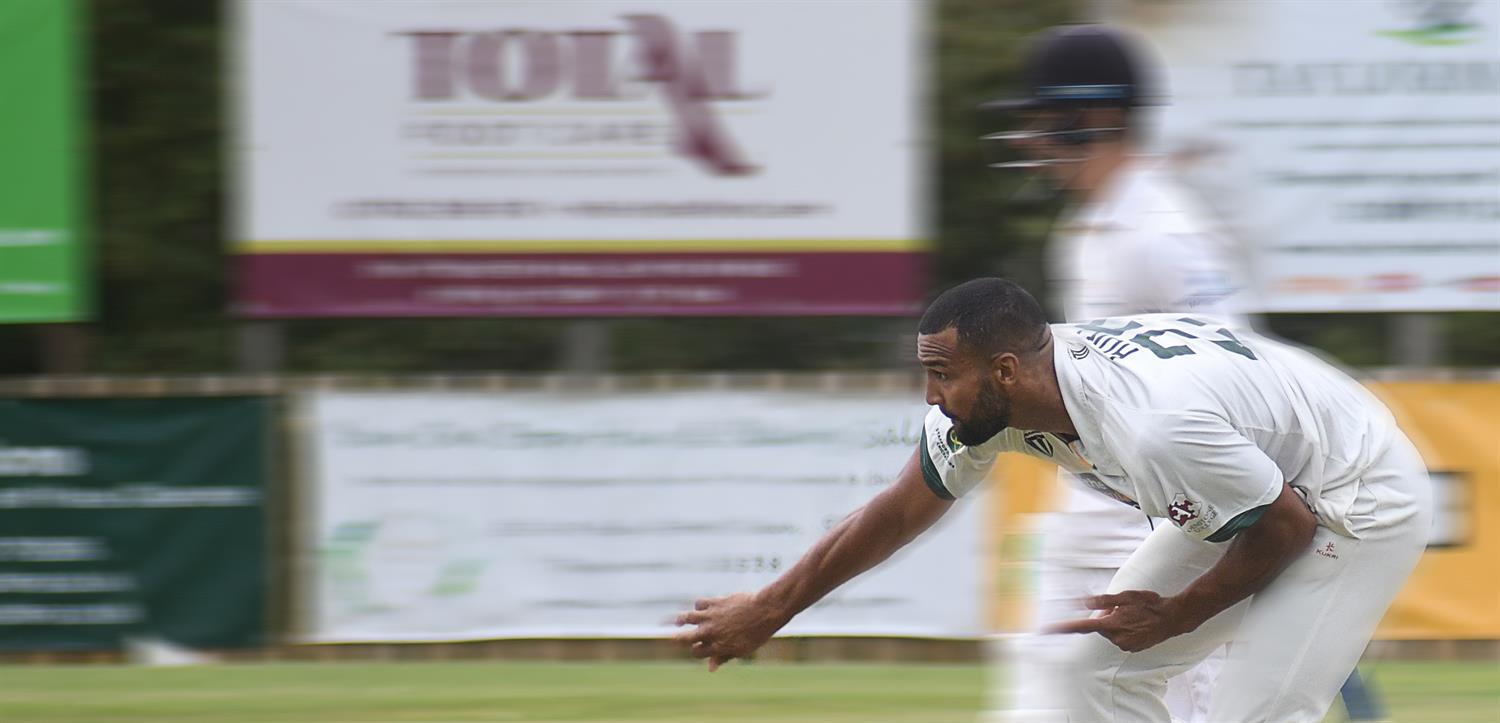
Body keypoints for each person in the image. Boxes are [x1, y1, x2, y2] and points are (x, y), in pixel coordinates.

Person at [674, 278, 1430, 723]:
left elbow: (1285, 528)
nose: (931, 397)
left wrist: (1176, 615)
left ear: (1004, 370)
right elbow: (899, 509)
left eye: (943, 374)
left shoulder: (1150, 426)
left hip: (1352, 494)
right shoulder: (998, 406)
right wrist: (770, 608)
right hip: (1252, 477)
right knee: (1084, 674)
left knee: (1250, 712)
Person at [981, 23, 1244, 722]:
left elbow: (1238, 386)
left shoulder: (1157, 233)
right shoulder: (1095, 226)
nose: (1031, 139)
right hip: (1094, 520)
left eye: (1043, 119)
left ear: (1092, 116)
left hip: (1164, 530)